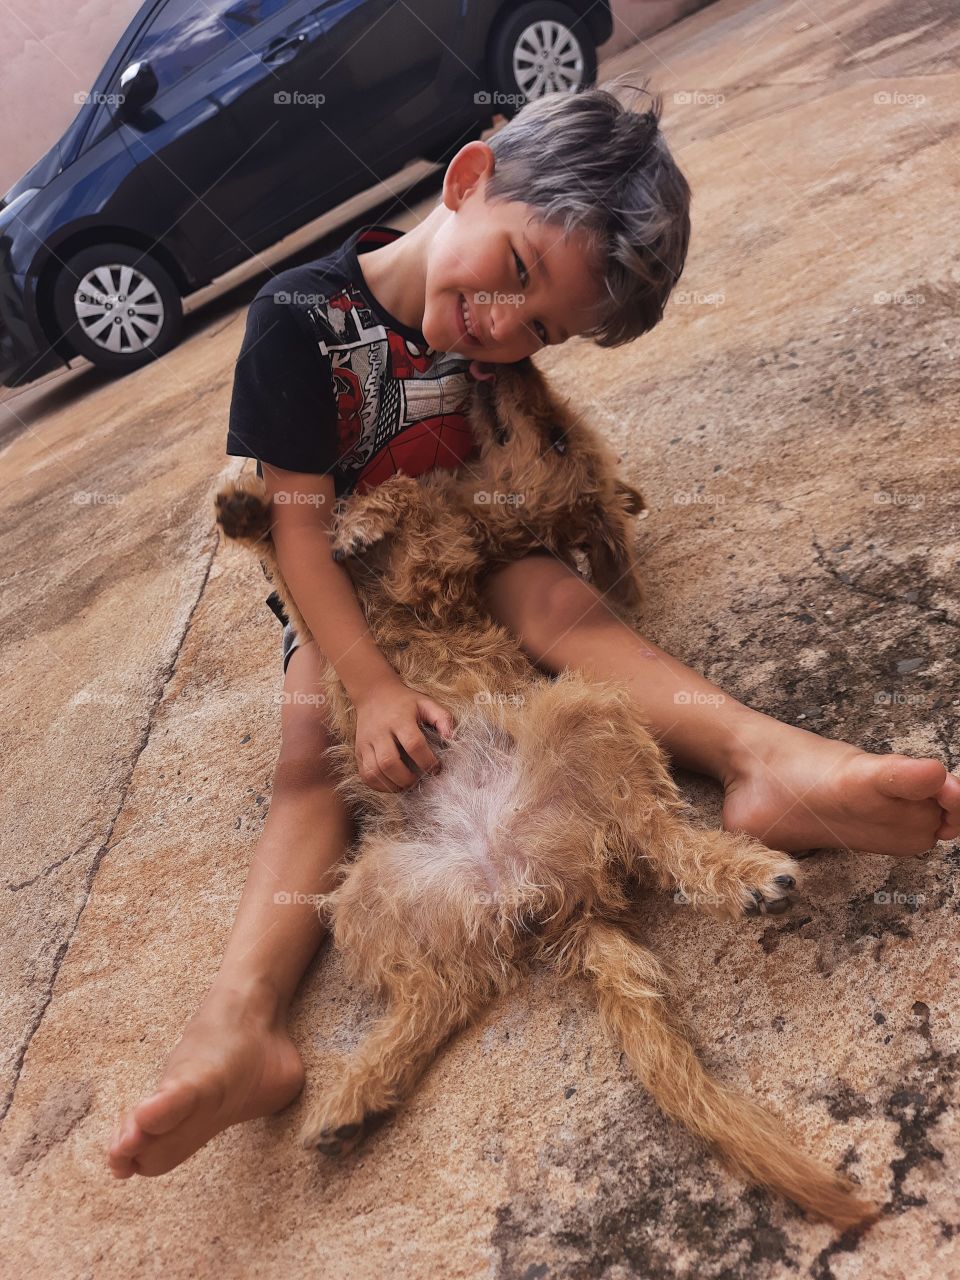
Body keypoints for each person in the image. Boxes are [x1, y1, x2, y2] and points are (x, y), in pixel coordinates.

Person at [108, 81, 960, 1179]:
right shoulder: (297, 324)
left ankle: (768, 759)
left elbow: (518, 469)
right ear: (469, 182)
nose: (507, 327)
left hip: (468, 551)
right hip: (350, 588)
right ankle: (243, 1022)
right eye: (516, 273)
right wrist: (368, 684)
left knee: (557, 597)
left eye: (544, 324)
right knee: (304, 765)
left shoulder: (490, 344)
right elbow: (297, 536)